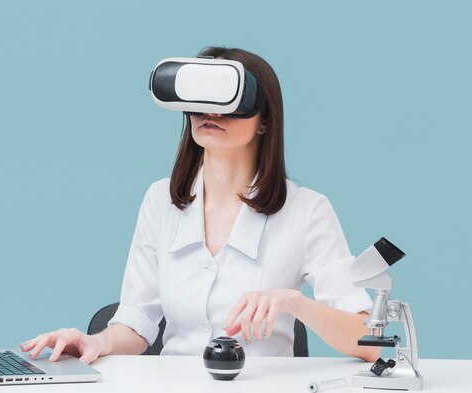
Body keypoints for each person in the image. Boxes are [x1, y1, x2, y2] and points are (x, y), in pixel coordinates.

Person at [21, 47, 380, 364]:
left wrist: (293, 302)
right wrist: (93, 342)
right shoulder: (159, 201)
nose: (211, 111)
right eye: (201, 99)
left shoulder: (306, 210)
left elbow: (369, 343)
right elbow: (137, 322)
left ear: (264, 120)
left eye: (227, 99)